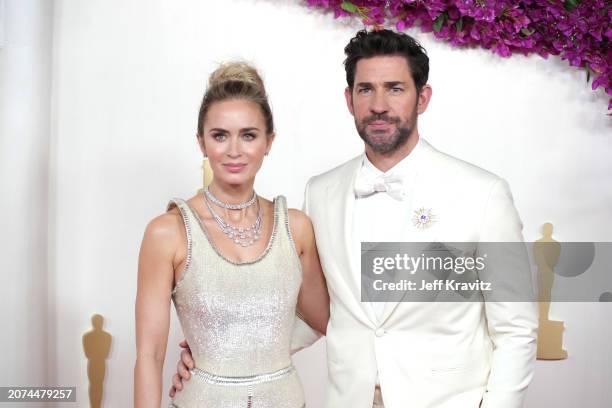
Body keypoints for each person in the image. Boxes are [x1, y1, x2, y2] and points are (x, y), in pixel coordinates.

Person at [172, 29, 538, 408]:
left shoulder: (483, 194)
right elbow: (321, 311)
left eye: (395, 88)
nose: (379, 104)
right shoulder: (320, 193)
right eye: (366, 90)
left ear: (422, 98)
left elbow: (516, 330)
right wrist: (218, 352)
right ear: (349, 100)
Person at [134, 61, 329, 408]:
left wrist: (253, 346)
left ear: (269, 141)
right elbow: (149, 355)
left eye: (249, 135)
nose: (234, 150)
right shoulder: (168, 232)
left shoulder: (295, 227)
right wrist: (213, 355)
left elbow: (328, 320)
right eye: (220, 135)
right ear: (201, 142)